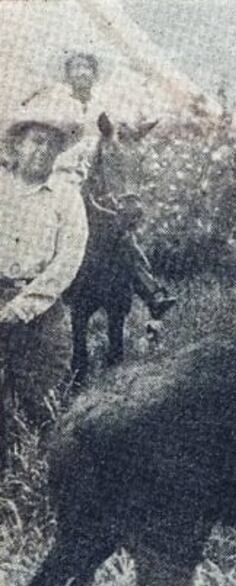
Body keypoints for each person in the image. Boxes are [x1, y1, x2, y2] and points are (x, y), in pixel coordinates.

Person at [23, 51, 176, 319]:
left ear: (94, 75)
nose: (83, 74)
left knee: (119, 228)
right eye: (77, 69)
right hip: (64, 173)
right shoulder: (58, 106)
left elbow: (115, 137)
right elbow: (53, 140)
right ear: (69, 75)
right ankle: (35, 286)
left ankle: (150, 289)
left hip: (98, 177)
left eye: (87, 69)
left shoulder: (103, 106)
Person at [0, 117, 88, 469]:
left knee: (39, 398)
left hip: (42, 311)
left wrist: (23, 306)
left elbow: (68, 259)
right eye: (36, 141)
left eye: (52, 144)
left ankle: (37, 478)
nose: (43, 150)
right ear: (18, 145)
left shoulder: (67, 199)